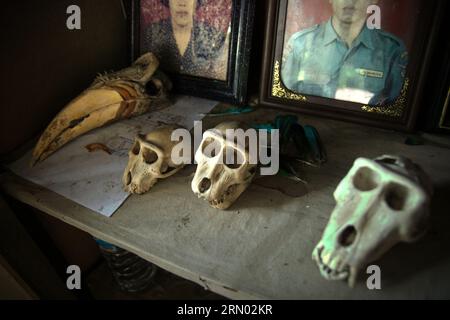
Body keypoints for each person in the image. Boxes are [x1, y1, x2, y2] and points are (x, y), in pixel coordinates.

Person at [281, 0, 408, 105]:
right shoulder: (300, 44)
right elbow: (283, 100)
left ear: (373, 1)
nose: (351, 1)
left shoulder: (393, 51)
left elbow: (394, 113)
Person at [143, 0, 229, 80]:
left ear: (196, 2)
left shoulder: (214, 37)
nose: (182, 3)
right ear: (168, 1)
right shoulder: (151, 34)